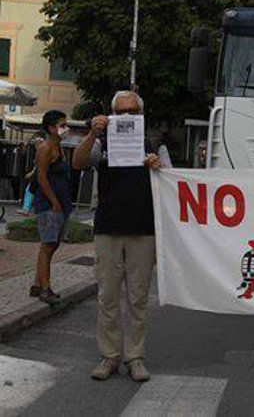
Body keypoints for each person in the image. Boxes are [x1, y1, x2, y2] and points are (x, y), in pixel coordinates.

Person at [72, 90, 171, 383]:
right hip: (108, 229)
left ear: (141, 116)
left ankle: (135, 357)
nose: (127, 117)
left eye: (133, 112)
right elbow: (77, 163)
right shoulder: (101, 142)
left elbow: (173, 183)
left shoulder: (155, 144)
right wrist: (92, 132)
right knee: (107, 297)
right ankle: (110, 356)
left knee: (138, 299)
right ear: (112, 114)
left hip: (143, 230)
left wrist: (159, 167)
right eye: (121, 112)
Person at [31, 111, 73, 304]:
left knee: (51, 244)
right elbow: (41, 177)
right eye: (62, 125)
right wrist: (54, 201)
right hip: (49, 204)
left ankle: (37, 284)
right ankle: (45, 288)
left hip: (61, 202)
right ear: (51, 128)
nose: (66, 129)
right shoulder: (46, 148)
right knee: (48, 245)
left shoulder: (59, 147)